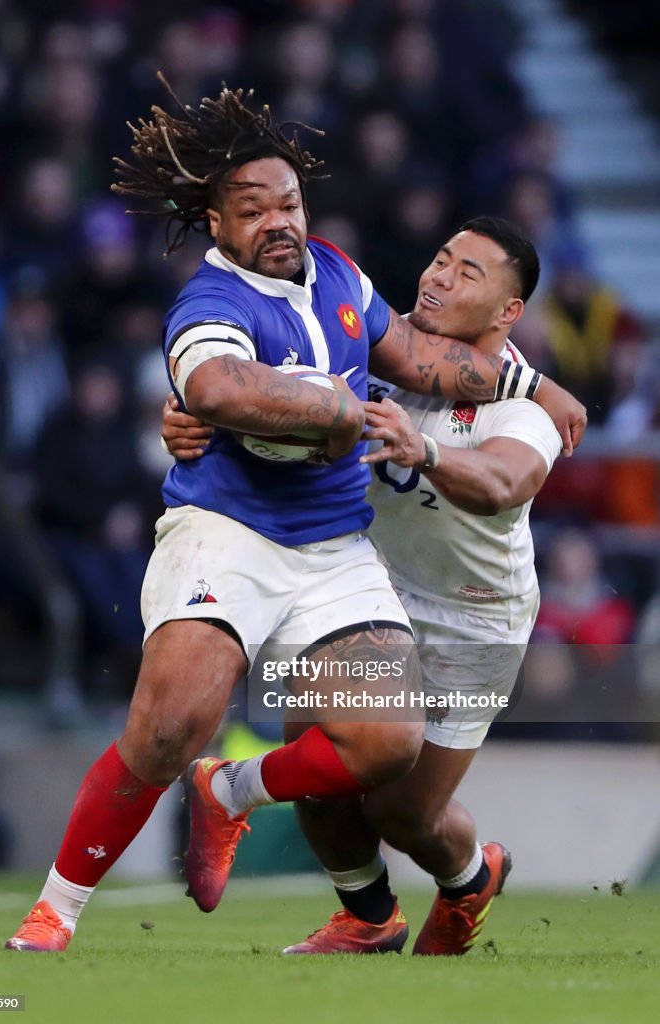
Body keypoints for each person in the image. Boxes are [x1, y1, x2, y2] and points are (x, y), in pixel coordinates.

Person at [4, 83, 584, 953]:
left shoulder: (341, 280)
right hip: (238, 535)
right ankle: (56, 911)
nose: (279, 221)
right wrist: (323, 412)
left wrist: (532, 384)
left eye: (289, 203)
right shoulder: (211, 306)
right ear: (215, 222)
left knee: (392, 778)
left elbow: (466, 427)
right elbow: (214, 385)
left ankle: (433, 872)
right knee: (172, 728)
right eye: (254, 209)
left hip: (449, 604)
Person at [163, 216, 563, 956]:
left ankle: (469, 879)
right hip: (362, 582)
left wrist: (427, 449)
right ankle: (367, 916)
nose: (439, 276)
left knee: (403, 813)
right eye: (440, 259)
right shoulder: (372, 344)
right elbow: (261, 389)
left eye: (468, 273)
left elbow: (502, 482)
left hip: (472, 622)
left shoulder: (518, 407)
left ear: (509, 311)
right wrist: (189, 422)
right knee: (321, 765)